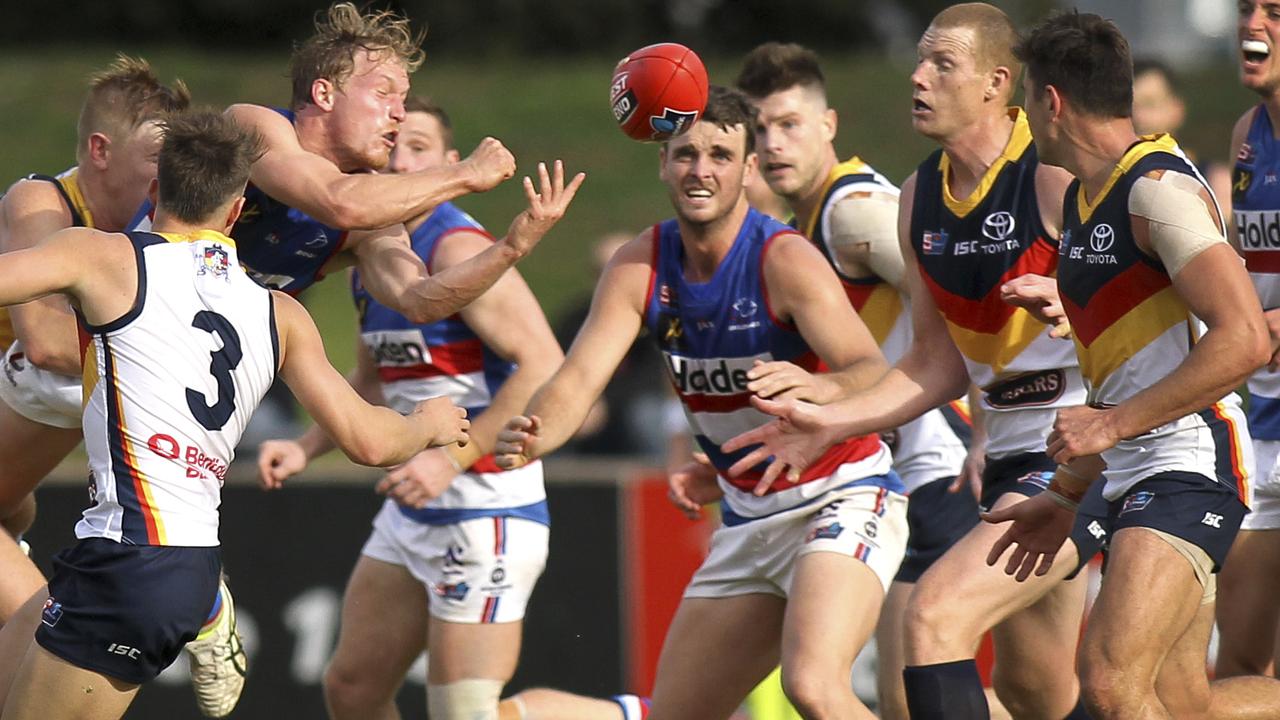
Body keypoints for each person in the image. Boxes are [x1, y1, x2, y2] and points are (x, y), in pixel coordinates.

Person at [0, 110, 471, 720]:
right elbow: (368, 440)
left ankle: (208, 612)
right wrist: (430, 425)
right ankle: (208, 610)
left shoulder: (102, 258)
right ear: (235, 211)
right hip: (184, 559)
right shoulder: (279, 313)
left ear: (153, 192)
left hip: (129, 559)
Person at [722, 5, 1110, 719]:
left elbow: (1164, 297)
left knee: (932, 622)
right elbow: (933, 364)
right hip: (1010, 454)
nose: (917, 76)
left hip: (1097, 445)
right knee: (1038, 691)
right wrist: (828, 420)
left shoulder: (1053, 173)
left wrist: (1079, 304)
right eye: (920, 60)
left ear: (997, 84)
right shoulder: (918, 199)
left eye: (941, 64)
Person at [496, 86, 907, 720]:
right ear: (662, 164)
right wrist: (530, 437)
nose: (701, 169)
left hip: (841, 494)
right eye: (685, 154)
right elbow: (579, 381)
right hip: (748, 516)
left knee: (815, 687)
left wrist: (820, 391)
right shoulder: (641, 264)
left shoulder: (784, 257)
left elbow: (869, 369)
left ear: (748, 169)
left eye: (721, 154)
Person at [981, 12, 1280, 718]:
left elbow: (1243, 340)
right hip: (1133, 469)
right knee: (1182, 705)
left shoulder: (1156, 189)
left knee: (1111, 680)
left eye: (1026, 96)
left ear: (1052, 102)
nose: (1024, 116)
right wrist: (1062, 497)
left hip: (1191, 463)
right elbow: (1121, 380)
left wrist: (1111, 427)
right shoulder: (1089, 201)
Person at [254, 96, 568, 720]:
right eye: (394, 145)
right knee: (352, 690)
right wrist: (307, 446)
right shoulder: (373, 251)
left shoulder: (454, 247)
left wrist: (454, 461)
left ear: (451, 165)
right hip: (415, 510)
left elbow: (544, 363)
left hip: (486, 505)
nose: (401, 160)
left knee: (468, 714)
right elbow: (374, 377)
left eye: (420, 149)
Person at [0, 56, 252, 719]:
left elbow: (58, 350)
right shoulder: (45, 203)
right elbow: (47, 343)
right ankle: (199, 601)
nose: (163, 182)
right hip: (46, 396)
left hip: (72, 402)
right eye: (153, 165)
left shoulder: (155, 239)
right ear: (99, 152)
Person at [734, 41, 976, 719]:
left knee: (907, 695)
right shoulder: (801, 224)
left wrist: (987, 425)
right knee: (1003, 693)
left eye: (789, 124)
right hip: (895, 468)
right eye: (760, 129)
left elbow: (965, 309)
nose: (773, 144)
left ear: (829, 125)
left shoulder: (854, 210)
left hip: (940, 464)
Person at [132, 2, 581, 325]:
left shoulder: (374, 215)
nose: (400, 114)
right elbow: (336, 202)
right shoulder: (252, 127)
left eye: (403, 100)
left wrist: (511, 247)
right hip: (117, 320)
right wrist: (464, 172)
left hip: (184, 364)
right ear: (324, 94)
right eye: (385, 93)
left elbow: (418, 300)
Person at [1219, 0, 1280, 682]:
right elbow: (1242, 271)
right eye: (1246, 8)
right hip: (1260, 422)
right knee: (1236, 663)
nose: (1253, 24)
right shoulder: (1247, 134)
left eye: (1276, 10)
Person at [1130, 58, 1233, 218]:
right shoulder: (1101, 186)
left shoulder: (1218, 185)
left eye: (1149, 104)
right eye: (1128, 108)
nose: (1138, 118)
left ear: (1177, 109)